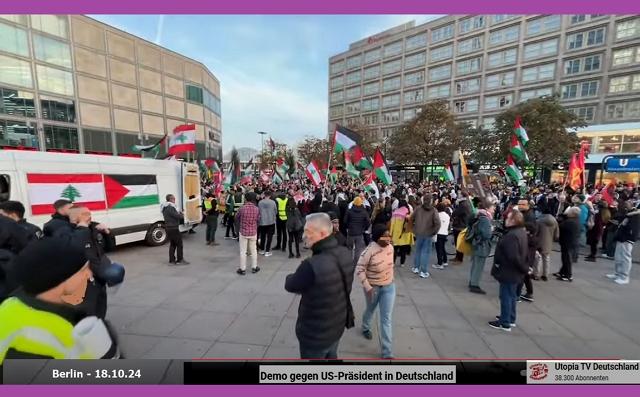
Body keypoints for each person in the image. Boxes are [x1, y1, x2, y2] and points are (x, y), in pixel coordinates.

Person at [0, 236, 120, 362]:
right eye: (83, 270)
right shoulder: (29, 347)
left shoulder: (12, 304)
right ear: (61, 279)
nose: (89, 275)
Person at [284, 213, 354, 359]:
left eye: (308, 232)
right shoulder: (345, 253)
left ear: (322, 234)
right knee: (332, 356)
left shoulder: (311, 265)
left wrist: (292, 275)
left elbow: (291, 285)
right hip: (337, 325)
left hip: (315, 335)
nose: (304, 235)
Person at [356, 224, 395, 359]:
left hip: (389, 287)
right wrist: (368, 287)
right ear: (377, 237)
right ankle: (366, 327)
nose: (389, 238)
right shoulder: (368, 251)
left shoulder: (390, 247)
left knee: (386, 318)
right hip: (373, 288)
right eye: (385, 236)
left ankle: (387, 351)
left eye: (389, 235)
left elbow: (390, 266)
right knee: (370, 310)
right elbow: (359, 270)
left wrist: (389, 279)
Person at [489, 209, 529, 332]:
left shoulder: (512, 236)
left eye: (508, 218)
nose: (506, 220)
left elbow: (513, 256)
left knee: (506, 296)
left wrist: (522, 268)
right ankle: (510, 318)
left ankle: (505, 322)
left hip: (509, 270)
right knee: (511, 295)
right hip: (514, 271)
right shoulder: (520, 232)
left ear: (514, 221)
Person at [606, 202, 639, 285]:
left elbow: (633, 228)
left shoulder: (635, 215)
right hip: (621, 237)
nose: (625, 205)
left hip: (627, 239)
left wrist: (629, 237)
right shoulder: (628, 213)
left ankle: (624, 277)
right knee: (618, 257)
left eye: (627, 203)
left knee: (625, 257)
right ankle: (617, 273)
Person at [468, 200, 494, 294]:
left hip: (476, 243)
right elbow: (486, 235)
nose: (494, 210)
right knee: (479, 265)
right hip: (481, 245)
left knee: (475, 264)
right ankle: (474, 284)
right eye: (492, 208)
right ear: (487, 209)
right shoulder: (485, 219)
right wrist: (491, 230)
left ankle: (472, 281)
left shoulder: (478, 215)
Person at [411, 196, 441, 279]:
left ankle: (416, 267)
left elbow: (411, 218)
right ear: (431, 201)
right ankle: (423, 271)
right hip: (428, 233)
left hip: (419, 232)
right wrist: (434, 232)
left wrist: (414, 228)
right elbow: (438, 223)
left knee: (418, 250)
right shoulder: (434, 210)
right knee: (425, 253)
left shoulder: (418, 208)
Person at [236, 192, 260, 275]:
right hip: (253, 232)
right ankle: (254, 267)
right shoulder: (256, 209)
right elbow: (258, 219)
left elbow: (237, 217)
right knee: (254, 250)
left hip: (243, 232)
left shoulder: (242, 208)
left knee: (243, 251)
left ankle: (242, 269)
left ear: (246, 199)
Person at [555, 207, 581, 282]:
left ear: (573, 213)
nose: (568, 212)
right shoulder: (575, 220)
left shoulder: (570, 222)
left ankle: (568, 275)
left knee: (567, 259)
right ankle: (562, 272)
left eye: (569, 211)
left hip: (568, 242)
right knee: (565, 258)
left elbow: (561, 226)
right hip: (571, 242)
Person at [161, 194, 189, 265]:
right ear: (170, 199)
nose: (175, 200)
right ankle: (180, 260)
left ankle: (172, 260)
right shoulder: (170, 207)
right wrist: (183, 214)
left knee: (173, 244)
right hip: (173, 228)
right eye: (173, 198)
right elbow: (177, 216)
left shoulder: (164, 207)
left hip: (169, 227)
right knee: (179, 244)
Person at [535, 202, 559, 281]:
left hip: (539, 241)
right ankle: (545, 274)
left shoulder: (539, 220)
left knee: (538, 258)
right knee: (546, 258)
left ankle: (536, 274)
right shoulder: (554, 220)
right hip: (549, 242)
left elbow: (535, 232)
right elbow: (556, 234)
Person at [344, 197, 371, 263]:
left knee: (349, 248)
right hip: (359, 233)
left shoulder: (349, 211)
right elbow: (368, 221)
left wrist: (348, 227)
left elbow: (345, 221)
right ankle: (356, 263)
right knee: (358, 250)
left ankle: (348, 262)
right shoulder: (364, 212)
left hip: (351, 232)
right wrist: (364, 228)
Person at [389, 200, 413, 267]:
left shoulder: (395, 213)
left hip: (396, 235)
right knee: (404, 250)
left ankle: (393, 262)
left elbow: (392, 225)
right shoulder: (409, 214)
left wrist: (390, 234)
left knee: (395, 249)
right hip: (406, 235)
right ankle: (402, 263)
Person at [451, 196, 473, 264]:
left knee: (458, 243)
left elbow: (455, 213)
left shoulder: (463, 205)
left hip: (460, 226)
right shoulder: (467, 204)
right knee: (458, 242)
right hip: (463, 225)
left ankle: (459, 259)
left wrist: (453, 214)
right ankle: (457, 257)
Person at [258, 191, 277, 257]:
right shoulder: (273, 202)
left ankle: (262, 249)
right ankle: (267, 251)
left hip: (262, 221)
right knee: (269, 237)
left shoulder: (260, 202)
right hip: (271, 221)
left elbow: (258, 211)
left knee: (263, 236)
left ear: (264, 195)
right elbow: (275, 211)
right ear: (270, 195)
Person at [434, 202, 450, 270]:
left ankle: (439, 263)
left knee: (438, 249)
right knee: (442, 247)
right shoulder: (447, 215)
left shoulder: (437, 215)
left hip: (438, 233)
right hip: (445, 233)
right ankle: (445, 261)